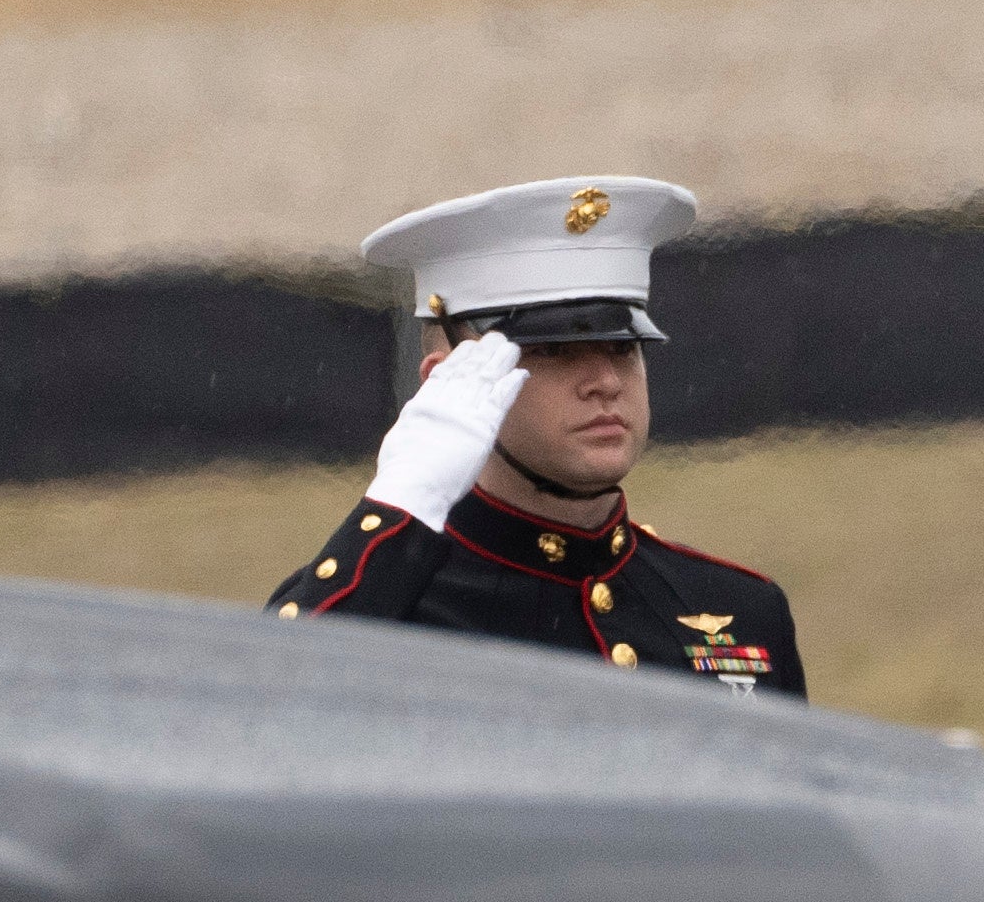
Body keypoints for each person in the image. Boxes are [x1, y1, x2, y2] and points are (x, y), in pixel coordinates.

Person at [269, 176, 802, 695]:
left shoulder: (745, 610)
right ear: (445, 382)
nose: (605, 382)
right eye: (551, 351)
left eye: (622, 347)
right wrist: (401, 504)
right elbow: (266, 707)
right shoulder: (388, 612)